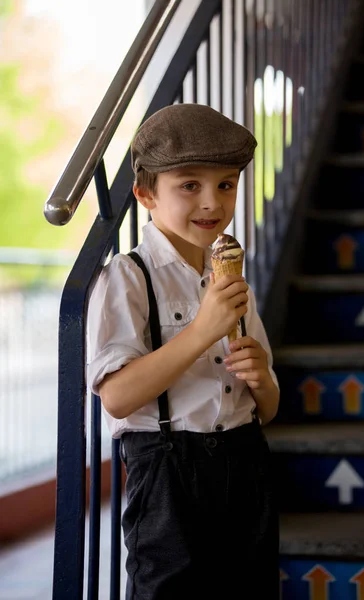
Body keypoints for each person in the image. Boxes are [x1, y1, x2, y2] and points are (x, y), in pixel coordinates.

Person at [87, 103, 280, 600]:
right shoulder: (127, 278)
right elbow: (117, 398)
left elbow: (269, 409)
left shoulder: (233, 282)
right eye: (190, 185)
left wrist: (262, 376)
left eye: (226, 184)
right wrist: (200, 331)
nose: (211, 203)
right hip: (169, 472)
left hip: (244, 462)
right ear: (146, 193)